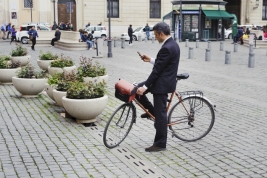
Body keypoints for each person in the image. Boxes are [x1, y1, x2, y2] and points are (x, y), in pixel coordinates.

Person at [135, 22, 180, 152]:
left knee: (161, 115)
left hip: (162, 84)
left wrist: (145, 86)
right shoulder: (172, 44)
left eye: (155, 35)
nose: (155, 37)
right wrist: (150, 60)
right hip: (162, 80)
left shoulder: (167, 47)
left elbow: (157, 71)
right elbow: (162, 63)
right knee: (136, 90)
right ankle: (152, 111)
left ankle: (160, 144)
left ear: (161, 33)